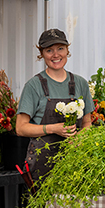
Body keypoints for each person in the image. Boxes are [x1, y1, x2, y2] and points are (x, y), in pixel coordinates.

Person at [16, 28, 93, 183]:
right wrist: (53, 128)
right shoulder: (34, 85)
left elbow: (87, 122)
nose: (56, 55)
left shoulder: (80, 84)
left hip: (74, 164)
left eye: (60, 48)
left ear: (67, 50)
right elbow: (20, 128)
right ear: (42, 54)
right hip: (42, 166)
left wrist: (79, 139)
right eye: (49, 50)